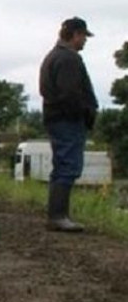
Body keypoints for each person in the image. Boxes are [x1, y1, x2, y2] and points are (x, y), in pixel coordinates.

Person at [39, 17, 98, 232]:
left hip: (58, 118)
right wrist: (85, 113)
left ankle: (57, 214)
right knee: (68, 166)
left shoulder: (54, 57)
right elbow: (70, 94)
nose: (84, 41)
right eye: (83, 36)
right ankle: (58, 216)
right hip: (67, 120)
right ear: (75, 35)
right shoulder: (68, 59)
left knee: (63, 165)